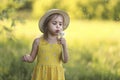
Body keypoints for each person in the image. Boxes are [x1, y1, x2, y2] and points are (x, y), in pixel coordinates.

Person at [22, 9, 70, 80]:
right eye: (54, 23)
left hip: (56, 75)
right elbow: (32, 58)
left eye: (60, 24)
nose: (58, 26)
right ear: (46, 25)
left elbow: (65, 60)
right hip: (41, 74)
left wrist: (64, 46)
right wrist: (27, 58)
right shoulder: (38, 41)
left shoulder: (61, 42)